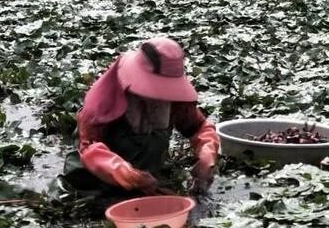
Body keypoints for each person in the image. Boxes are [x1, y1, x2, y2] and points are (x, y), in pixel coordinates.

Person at [62, 37, 220, 201]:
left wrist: (206, 157)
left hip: (148, 171)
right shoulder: (103, 99)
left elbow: (200, 127)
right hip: (95, 175)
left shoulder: (175, 100)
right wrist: (132, 177)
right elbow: (90, 148)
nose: (160, 98)